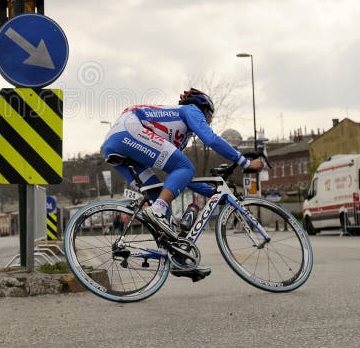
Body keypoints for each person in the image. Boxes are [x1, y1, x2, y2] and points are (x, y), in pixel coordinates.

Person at [101, 88, 264, 281]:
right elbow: (210, 139)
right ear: (205, 109)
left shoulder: (179, 135)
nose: (209, 121)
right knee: (183, 171)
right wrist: (244, 162)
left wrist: (212, 192)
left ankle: (178, 260)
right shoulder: (191, 110)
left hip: (114, 142)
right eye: (210, 117)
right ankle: (157, 211)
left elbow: (180, 177)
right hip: (129, 130)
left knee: (161, 194)